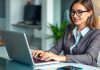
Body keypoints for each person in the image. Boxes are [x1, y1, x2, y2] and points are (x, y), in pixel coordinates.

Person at [32, 0, 100, 66]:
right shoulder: (68, 28)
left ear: (90, 13)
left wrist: (63, 58)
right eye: (73, 12)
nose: (75, 16)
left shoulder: (96, 34)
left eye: (79, 12)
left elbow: (89, 58)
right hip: (69, 67)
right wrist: (44, 53)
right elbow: (57, 48)